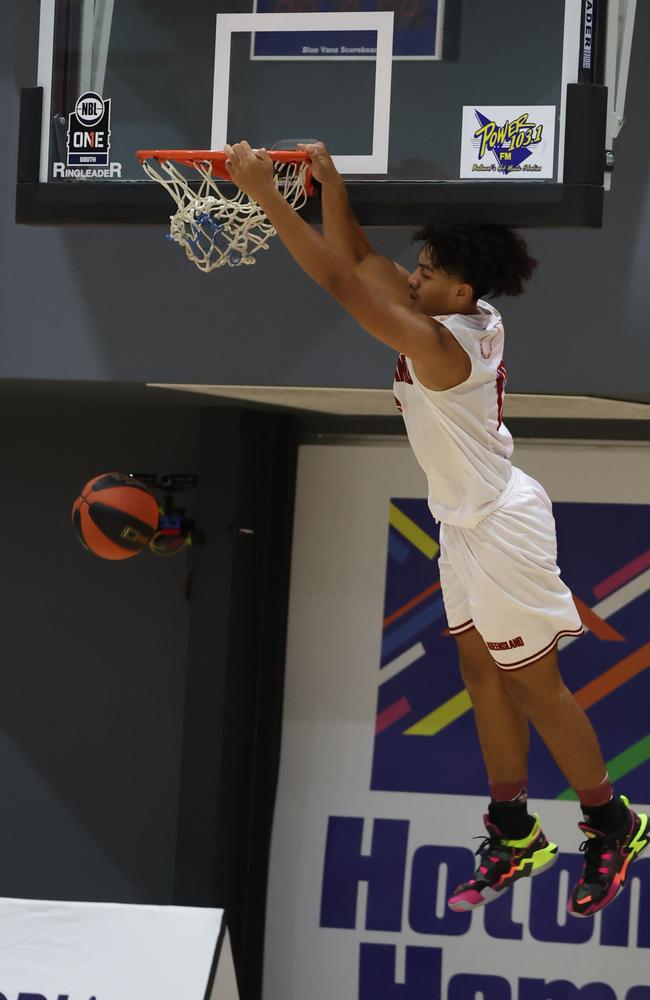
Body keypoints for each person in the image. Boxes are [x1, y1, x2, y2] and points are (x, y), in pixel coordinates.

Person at [223, 139, 648, 918]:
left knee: (537, 687)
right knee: (480, 673)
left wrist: (268, 196)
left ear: (457, 289)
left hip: (501, 527)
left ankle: (613, 824)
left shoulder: (440, 345)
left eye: (423, 272)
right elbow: (358, 255)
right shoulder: (454, 310)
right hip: (464, 521)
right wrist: (330, 185)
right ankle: (515, 830)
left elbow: (340, 281)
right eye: (415, 269)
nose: (410, 276)